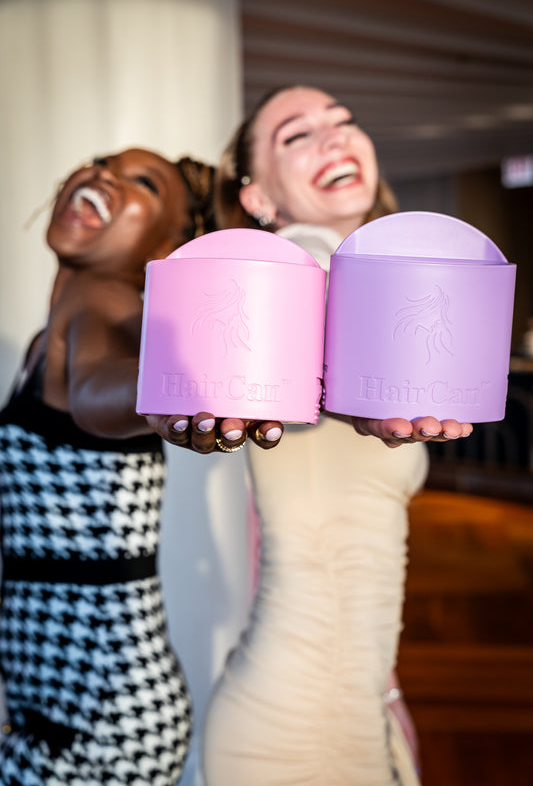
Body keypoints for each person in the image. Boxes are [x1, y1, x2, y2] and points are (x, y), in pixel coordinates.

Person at [199, 86, 473, 786]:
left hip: (351, 702)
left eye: (343, 121)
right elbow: (307, 327)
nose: (334, 138)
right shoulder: (298, 263)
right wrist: (356, 397)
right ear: (257, 196)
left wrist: (384, 693)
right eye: (296, 135)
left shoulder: (369, 281)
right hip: (294, 728)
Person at [0, 146, 281, 786]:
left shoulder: (103, 302)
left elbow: (98, 389)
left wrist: (163, 393)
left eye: (144, 184)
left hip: (105, 719)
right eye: (103, 162)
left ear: (166, 247)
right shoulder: (56, 328)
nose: (105, 175)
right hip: (69, 701)